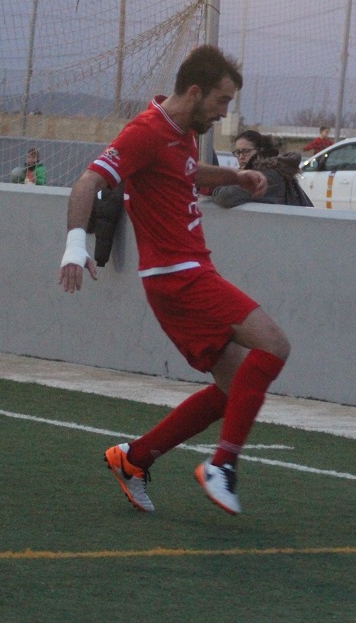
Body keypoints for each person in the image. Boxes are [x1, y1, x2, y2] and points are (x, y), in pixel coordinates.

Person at [58, 45, 290, 516]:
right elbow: (87, 182)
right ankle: (223, 465)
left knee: (234, 388)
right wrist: (75, 246)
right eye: (222, 101)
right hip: (178, 276)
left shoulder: (182, 131)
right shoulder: (145, 131)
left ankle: (134, 458)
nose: (224, 113)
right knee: (274, 345)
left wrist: (235, 176)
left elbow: (185, 171)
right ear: (195, 91)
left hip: (186, 273)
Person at [212, 130, 313, 207]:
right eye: (237, 152)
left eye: (246, 151)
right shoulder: (267, 171)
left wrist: (216, 188)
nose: (241, 157)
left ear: (260, 152)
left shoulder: (268, 175)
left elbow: (224, 197)